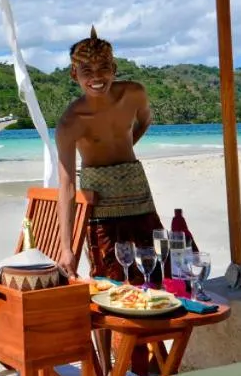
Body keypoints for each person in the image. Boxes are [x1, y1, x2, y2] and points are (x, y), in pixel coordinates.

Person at [54, 27, 163, 283]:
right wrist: (66, 248)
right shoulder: (71, 123)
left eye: (103, 68)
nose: (97, 77)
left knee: (155, 267)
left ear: (113, 68)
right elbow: (67, 186)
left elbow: (146, 120)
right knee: (109, 277)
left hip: (136, 188)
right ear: (74, 74)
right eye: (87, 71)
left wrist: (127, 150)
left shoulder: (134, 94)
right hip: (100, 201)